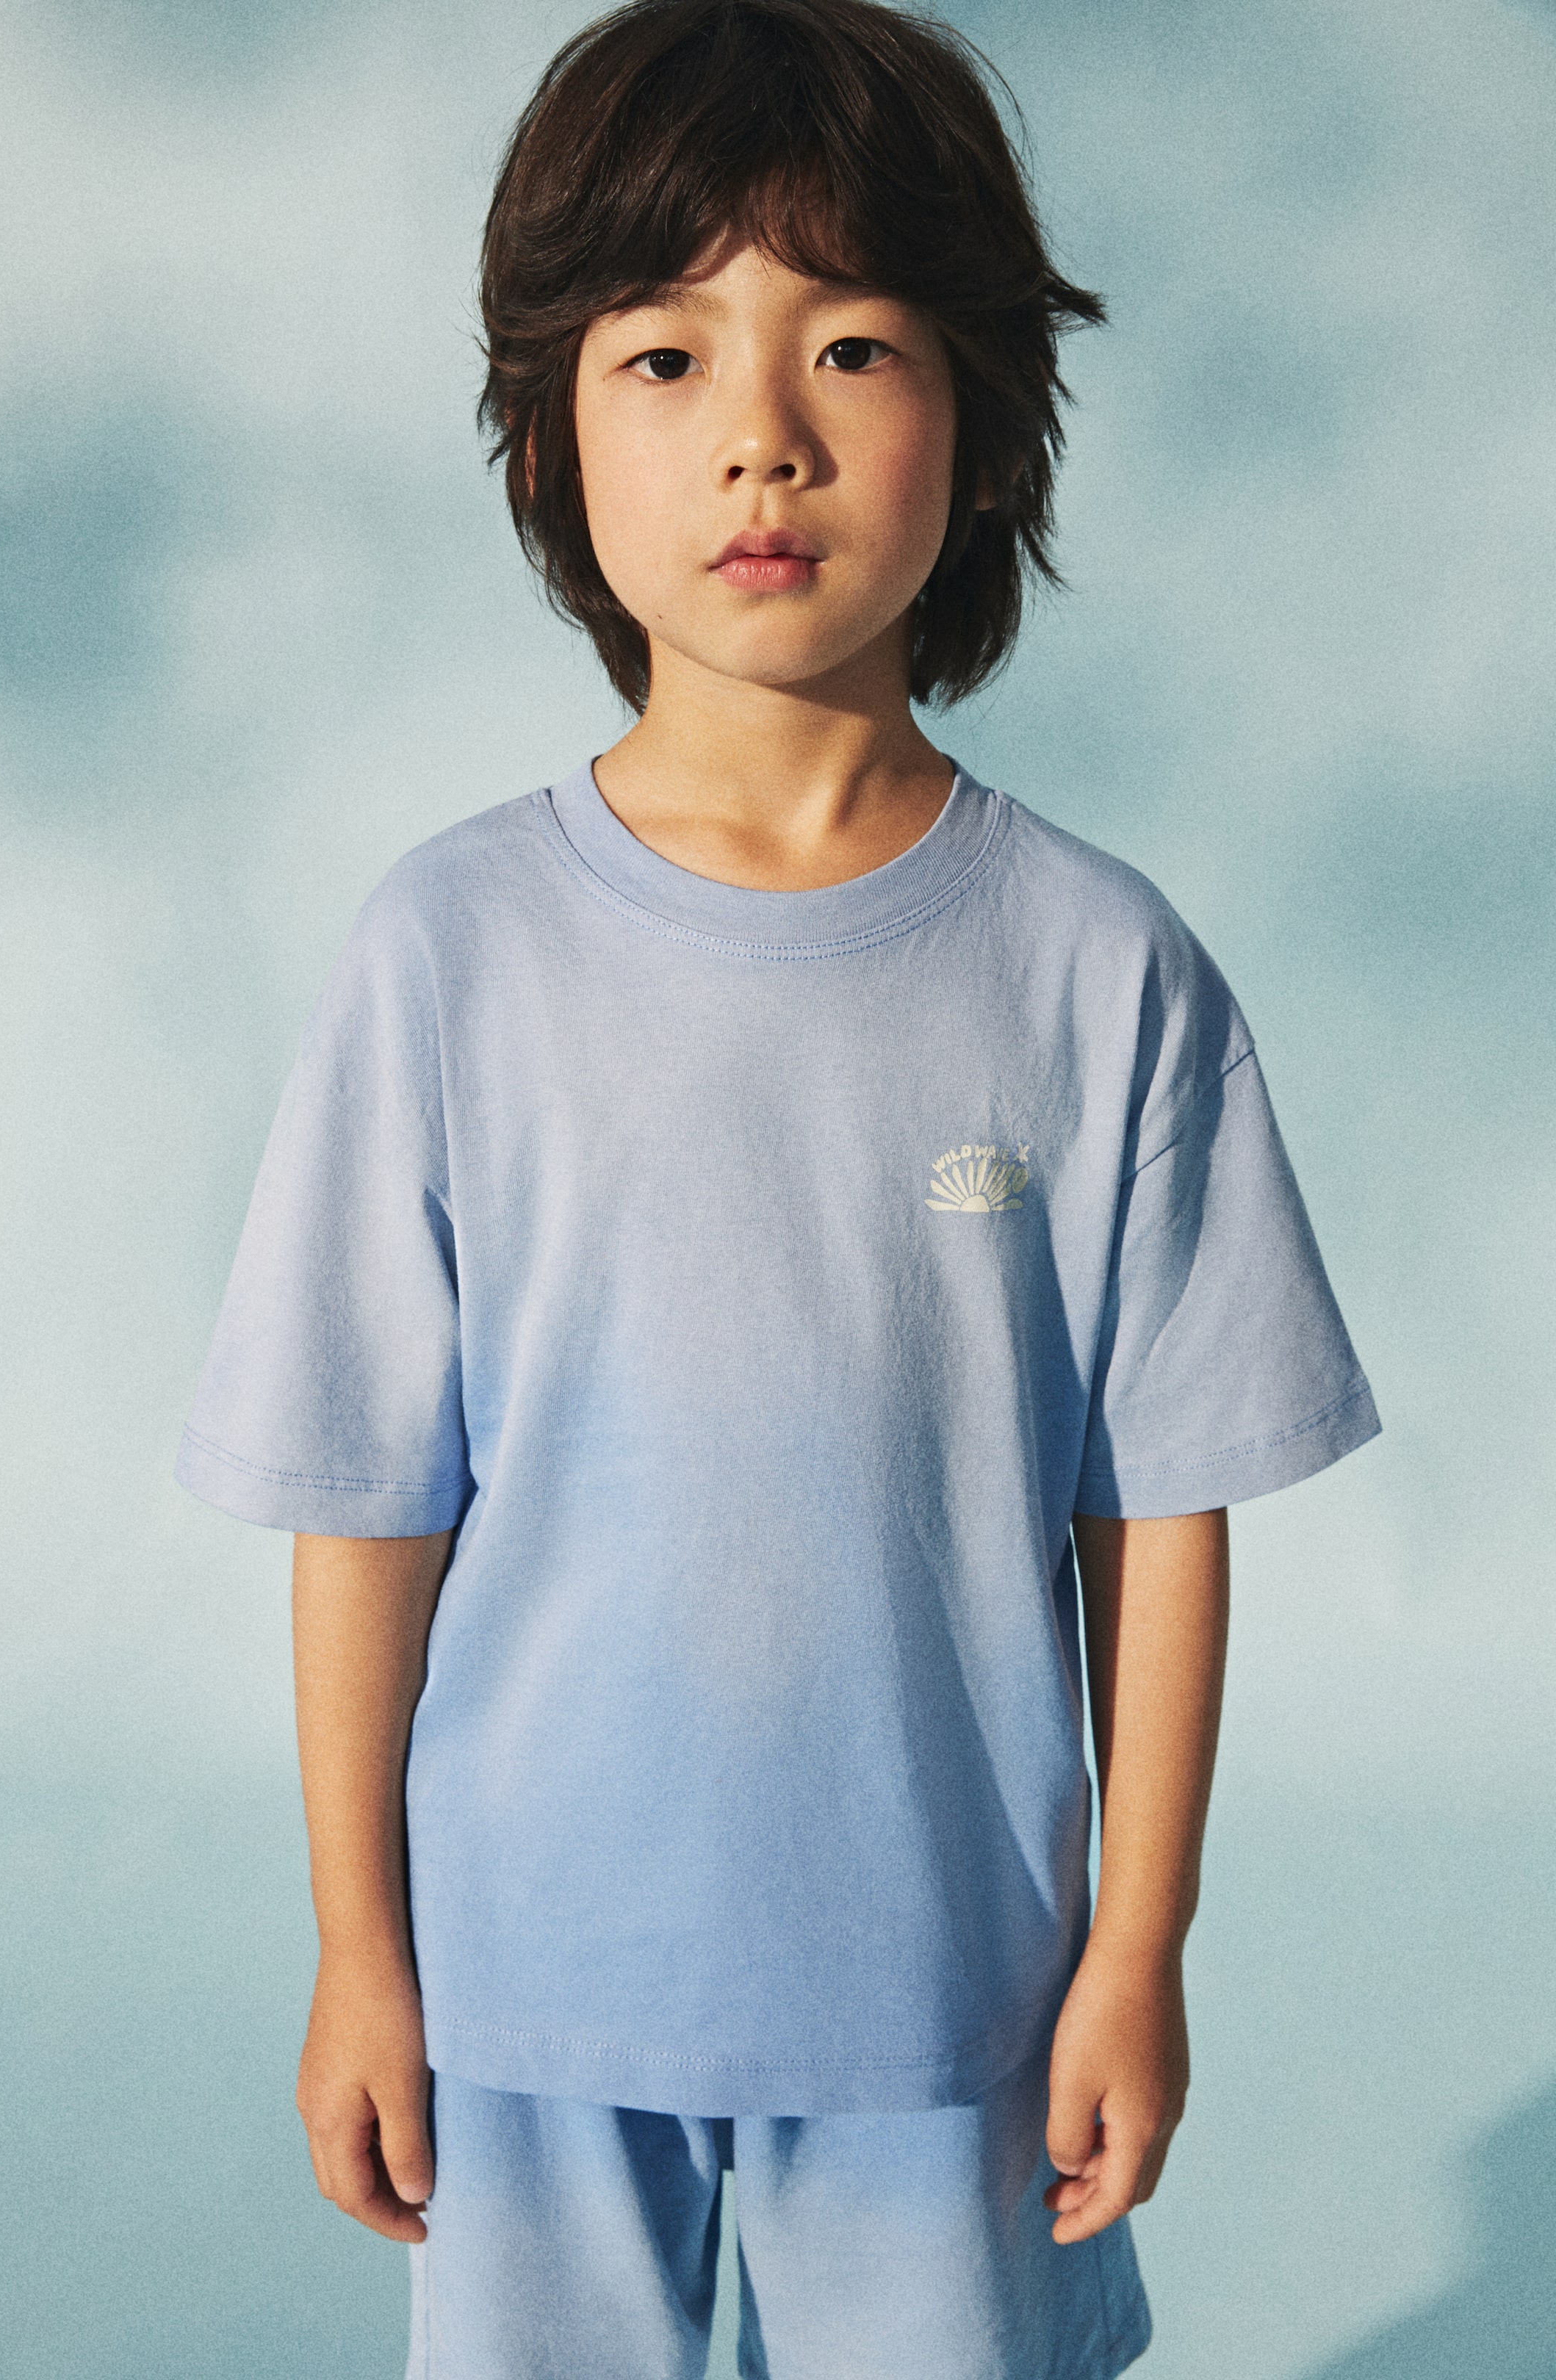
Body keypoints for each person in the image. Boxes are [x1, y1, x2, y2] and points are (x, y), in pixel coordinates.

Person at [174, 2, 1380, 2373]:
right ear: (549, 435)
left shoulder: (1103, 972)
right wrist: (361, 1950)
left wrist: (1137, 1946)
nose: (762, 436)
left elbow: (1161, 1510)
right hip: (527, 1989)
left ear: (985, 421)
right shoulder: (446, 953)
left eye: (849, 345)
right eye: (664, 355)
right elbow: (371, 1505)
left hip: (957, 1996)